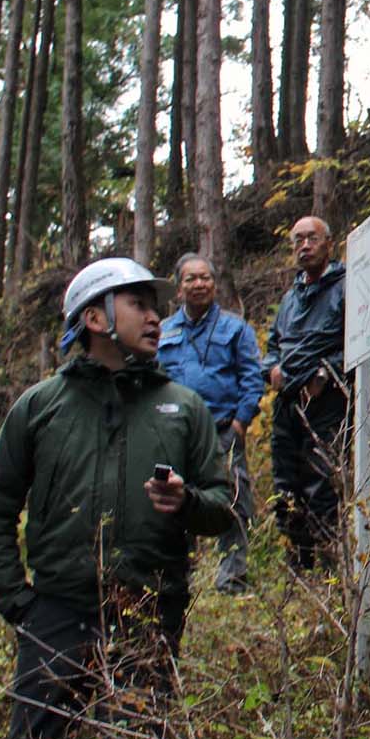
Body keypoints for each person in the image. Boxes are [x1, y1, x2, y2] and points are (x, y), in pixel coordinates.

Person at [0, 257, 233, 739]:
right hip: (58, 611)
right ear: (94, 317)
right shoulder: (39, 408)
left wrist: (186, 502)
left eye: (155, 303)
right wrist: (19, 603)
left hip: (149, 614)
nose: (155, 314)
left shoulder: (184, 406)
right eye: (137, 302)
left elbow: (224, 508)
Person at [156, 252, 264, 594]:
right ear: (178, 289)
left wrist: (239, 425)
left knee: (232, 500)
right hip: (175, 433)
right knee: (176, 500)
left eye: (205, 278)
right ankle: (178, 576)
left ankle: (232, 578)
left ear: (214, 285)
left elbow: (252, 380)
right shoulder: (162, 332)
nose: (199, 284)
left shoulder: (236, 328)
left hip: (222, 429)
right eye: (191, 278)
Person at [263, 215, 348, 568]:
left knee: (322, 482)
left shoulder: (347, 287)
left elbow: (359, 344)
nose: (304, 246)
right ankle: (298, 566)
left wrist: (325, 373)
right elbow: (271, 346)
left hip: (325, 403)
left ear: (329, 243)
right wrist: (272, 370)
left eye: (312, 238)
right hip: (287, 404)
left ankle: (330, 568)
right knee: (286, 485)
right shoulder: (289, 299)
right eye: (298, 240)